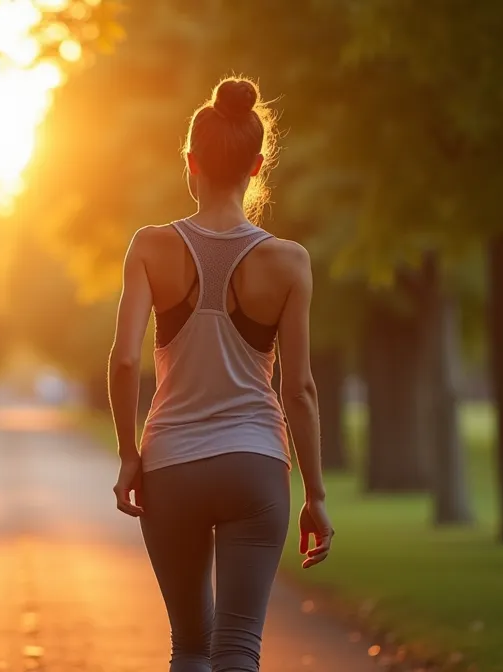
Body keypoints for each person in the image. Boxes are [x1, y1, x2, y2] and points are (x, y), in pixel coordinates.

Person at [107, 77, 334, 672]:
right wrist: (315, 492)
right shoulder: (289, 262)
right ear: (258, 166)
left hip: (171, 466)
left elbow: (126, 359)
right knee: (238, 651)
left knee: (190, 647)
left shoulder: (150, 247)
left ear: (191, 163)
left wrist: (130, 454)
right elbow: (299, 389)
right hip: (255, 466)